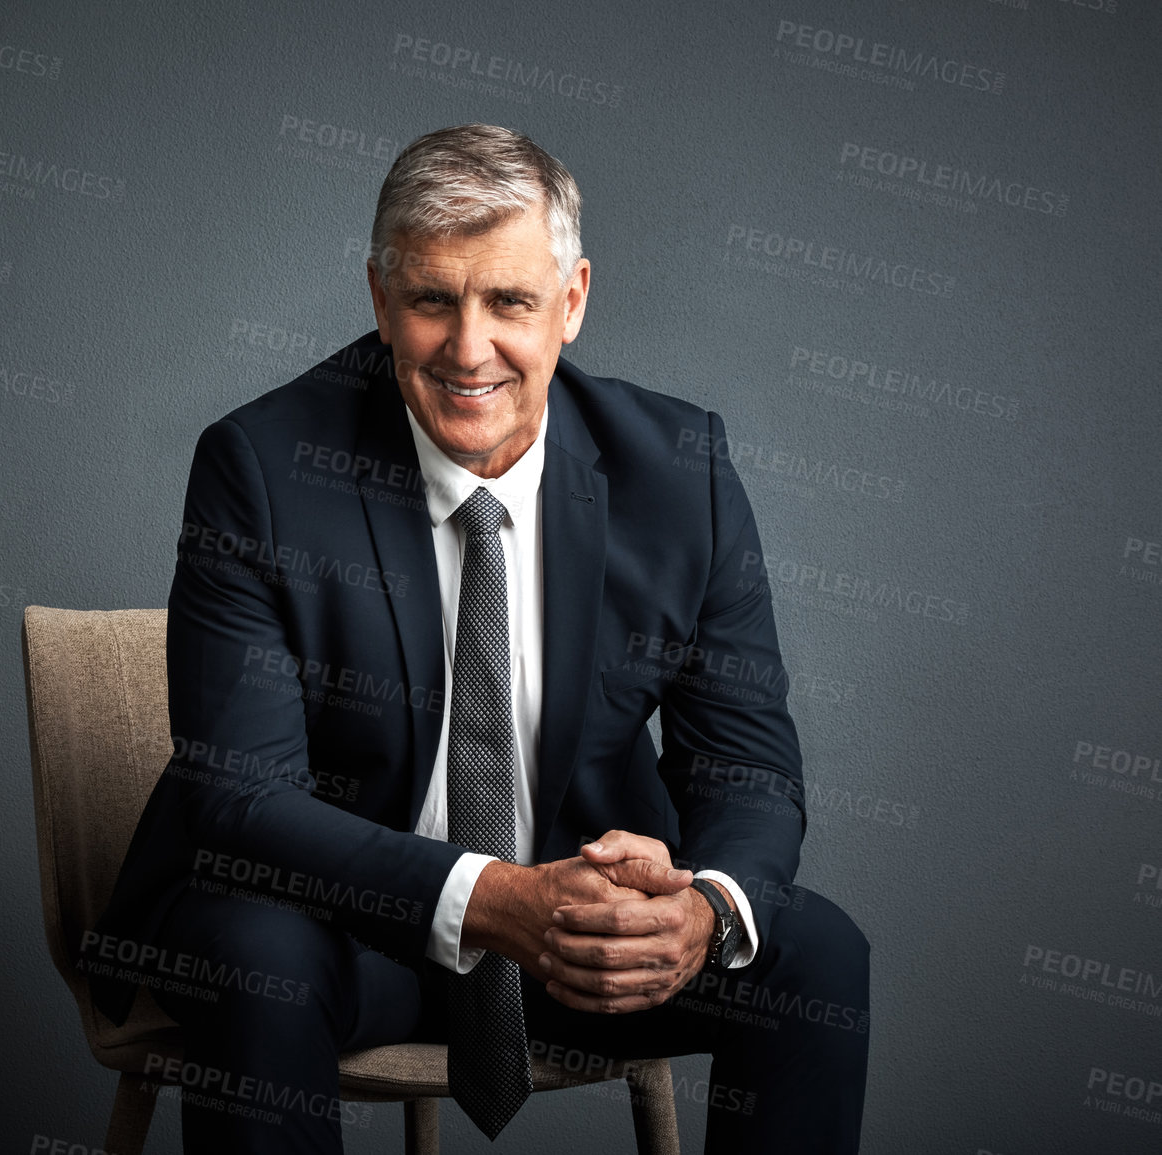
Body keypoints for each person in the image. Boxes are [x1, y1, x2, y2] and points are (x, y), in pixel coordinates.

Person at [86, 123, 869, 1153]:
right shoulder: (264, 468)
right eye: (430, 301)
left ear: (573, 302)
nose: (468, 349)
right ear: (379, 300)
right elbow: (240, 800)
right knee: (252, 953)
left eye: (509, 302)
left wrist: (703, 914)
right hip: (340, 933)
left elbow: (752, 771)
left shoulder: (681, 474)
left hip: (571, 943)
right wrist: (492, 900)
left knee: (812, 952)